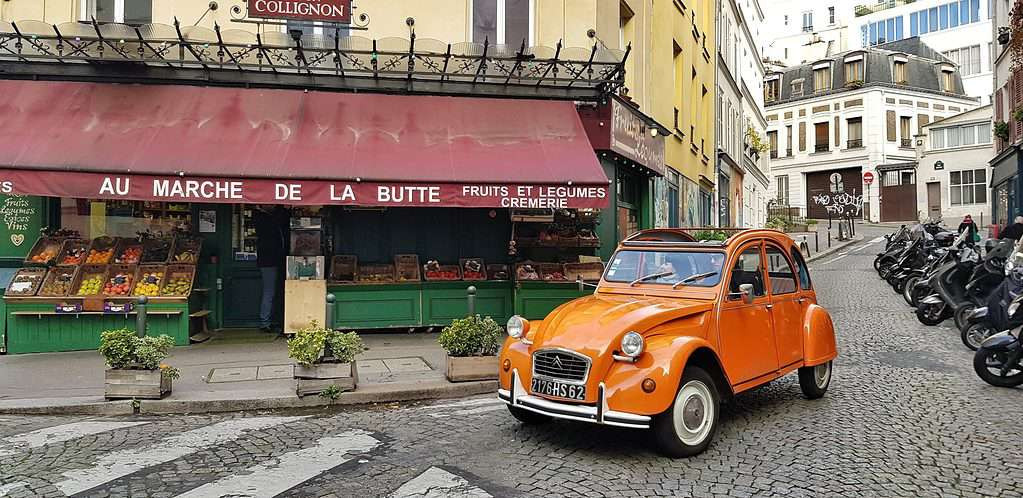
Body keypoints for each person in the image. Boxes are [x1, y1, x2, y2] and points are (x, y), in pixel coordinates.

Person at [253, 205, 289, 334]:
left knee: (273, 291)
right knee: (270, 291)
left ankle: (272, 320)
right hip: (269, 260)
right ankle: (265, 322)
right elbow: (274, 226)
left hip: (272, 259)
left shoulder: (266, 217)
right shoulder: (262, 218)